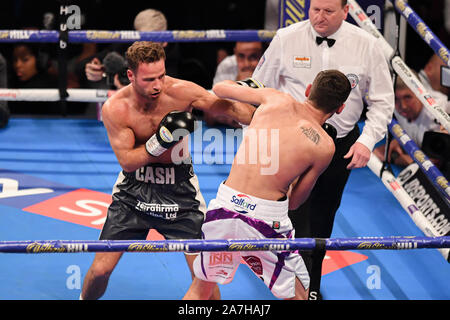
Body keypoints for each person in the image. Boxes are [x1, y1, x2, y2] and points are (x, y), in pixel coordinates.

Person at [79, 41, 255, 300]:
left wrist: (258, 111)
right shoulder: (116, 108)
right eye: (149, 79)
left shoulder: (182, 92)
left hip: (180, 191)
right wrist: (160, 140)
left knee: (203, 278)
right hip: (133, 192)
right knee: (100, 270)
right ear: (131, 75)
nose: (158, 85)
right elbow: (127, 161)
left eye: (161, 75)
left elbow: (227, 108)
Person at [251, 0, 395, 285]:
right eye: (315, 9)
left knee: (322, 216)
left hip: (339, 145)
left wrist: (366, 141)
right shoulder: (286, 38)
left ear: (346, 11)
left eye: (328, 11)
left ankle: (311, 285)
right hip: (291, 144)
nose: (319, 17)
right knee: (291, 214)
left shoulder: (367, 44)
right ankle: (287, 283)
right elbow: (259, 87)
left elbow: (382, 101)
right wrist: (258, 138)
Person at [183, 70, 351, 300]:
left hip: (224, 204)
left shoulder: (275, 97)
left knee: (202, 289)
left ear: (309, 89)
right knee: (299, 296)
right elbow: (295, 203)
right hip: (264, 219)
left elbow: (221, 88)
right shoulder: (324, 146)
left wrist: (252, 88)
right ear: (340, 108)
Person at [373, 73, 449, 167]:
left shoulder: (440, 111)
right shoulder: (393, 105)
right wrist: (398, 140)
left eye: (407, 97)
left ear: (419, 93)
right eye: (396, 99)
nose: (403, 106)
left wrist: (396, 158)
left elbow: (434, 164)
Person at [206, 41, 265, 128]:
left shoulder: (272, 67)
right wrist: (238, 85)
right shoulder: (227, 66)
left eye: (253, 56)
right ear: (235, 53)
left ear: (263, 54)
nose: (247, 64)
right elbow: (209, 115)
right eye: (241, 56)